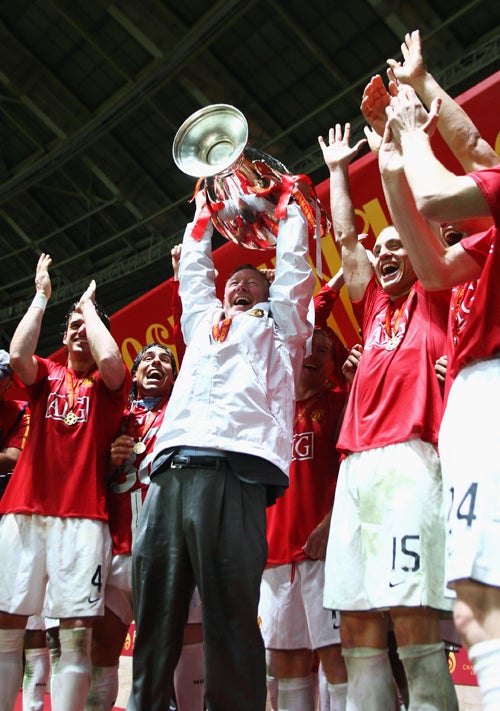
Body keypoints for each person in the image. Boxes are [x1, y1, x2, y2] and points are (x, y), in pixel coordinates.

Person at [127, 191, 315, 711]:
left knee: (231, 624)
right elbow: (193, 273)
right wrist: (201, 216)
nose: (237, 283)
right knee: (155, 623)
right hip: (168, 471)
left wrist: (290, 209)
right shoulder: (200, 323)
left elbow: (296, 270)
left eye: (252, 280)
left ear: (268, 292)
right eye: (232, 279)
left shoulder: (282, 326)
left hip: (236, 470)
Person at [317, 124, 457, 710]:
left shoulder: (435, 290)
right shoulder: (375, 302)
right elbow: (348, 240)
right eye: (383, 252)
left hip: (410, 457)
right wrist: (339, 172)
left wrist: (392, 159)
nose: (385, 254)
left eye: (398, 245)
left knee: (414, 623)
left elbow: (408, 233)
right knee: (355, 627)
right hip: (356, 470)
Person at [380, 80, 500, 710]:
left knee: (482, 599)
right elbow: (432, 267)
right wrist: (394, 169)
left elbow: (440, 189)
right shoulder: (482, 248)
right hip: (474, 399)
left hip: (489, 390)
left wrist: (410, 129)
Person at [0, 253, 130, 711]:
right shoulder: (46, 377)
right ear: (61, 335)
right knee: (7, 630)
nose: (79, 331)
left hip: (83, 519)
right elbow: (17, 355)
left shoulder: (112, 387)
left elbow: (111, 359)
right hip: (23, 514)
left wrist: (89, 308)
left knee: (76, 637)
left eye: (87, 326)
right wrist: (41, 297)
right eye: (72, 325)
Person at [85, 342, 204, 711]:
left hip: (173, 551)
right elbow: (85, 480)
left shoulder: (186, 410)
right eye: (147, 359)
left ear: (175, 376)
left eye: (165, 361)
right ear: (133, 375)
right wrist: (107, 461)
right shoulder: (111, 416)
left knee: (183, 650)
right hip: (117, 550)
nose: (156, 363)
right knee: (102, 649)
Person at [259, 319, 348, 711]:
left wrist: (331, 524)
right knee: (287, 661)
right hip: (275, 556)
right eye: (306, 348)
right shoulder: (267, 410)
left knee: (336, 655)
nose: (312, 355)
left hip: (324, 552)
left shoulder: (339, 403)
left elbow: (354, 466)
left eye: (322, 351)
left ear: (332, 365)